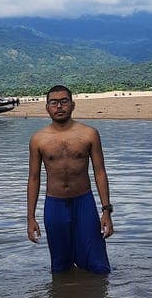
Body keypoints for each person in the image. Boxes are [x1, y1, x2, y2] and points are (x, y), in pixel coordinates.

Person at [27, 85, 114, 274]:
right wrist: (30, 217)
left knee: (99, 267)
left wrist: (107, 211)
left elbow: (100, 172)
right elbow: (34, 178)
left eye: (64, 101)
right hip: (54, 205)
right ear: (47, 107)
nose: (59, 106)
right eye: (54, 102)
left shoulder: (89, 134)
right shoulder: (38, 139)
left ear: (72, 105)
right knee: (59, 267)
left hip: (84, 202)